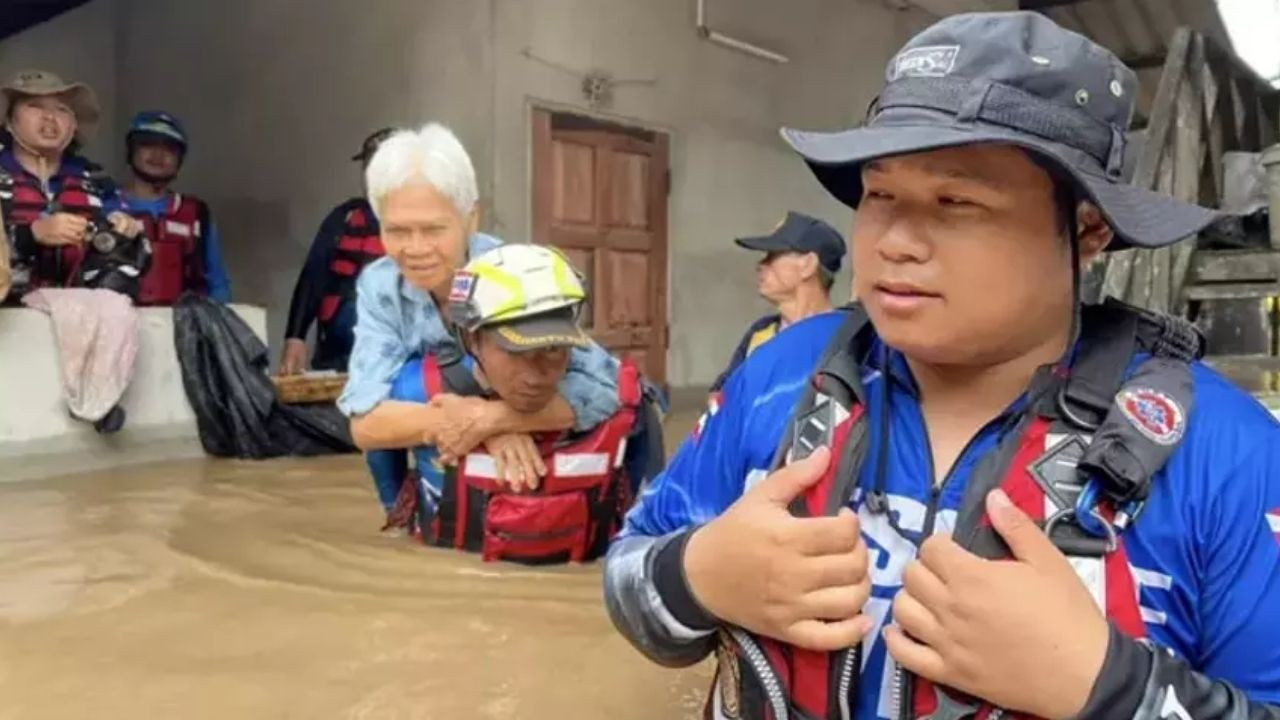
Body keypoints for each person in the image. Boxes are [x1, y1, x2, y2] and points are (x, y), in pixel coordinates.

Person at [604, 12, 1280, 720]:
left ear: (1088, 228)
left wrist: (1111, 687)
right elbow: (626, 573)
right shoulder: (784, 376)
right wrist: (699, 576)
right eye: (880, 194)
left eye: (956, 203)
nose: (894, 241)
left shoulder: (1223, 453)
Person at [337, 123, 621, 531]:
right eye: (397, 230)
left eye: (434, 229)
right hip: (450, 420)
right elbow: (364, 420)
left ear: (470, 219)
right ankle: (402, 520)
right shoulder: (380, 286)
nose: (414, 249)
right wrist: (470, 423)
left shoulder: (516, 274)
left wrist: (498, 418)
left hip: (522, 414)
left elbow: (602, 388)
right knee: (407, 383)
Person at [376, 243, 656, 563]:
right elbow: (390, 495)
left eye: (552, 349)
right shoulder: (414, 391)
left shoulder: (620, 397)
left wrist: (496, 418)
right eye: (515, 351)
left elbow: (650, 515)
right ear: (471, 339)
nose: (535, 375)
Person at [0, 70, 143, 298]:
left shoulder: (96, 181)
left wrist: (125, 232)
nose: (49, 117)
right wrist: (30, 235)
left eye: (61, 109)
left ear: (73, 125)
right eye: (35, 106)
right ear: (9, 120)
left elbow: (135, 259)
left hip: (81, 323)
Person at [279, 128, 395, 374]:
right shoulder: (345, 217)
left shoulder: (421, 221)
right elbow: (313, 275)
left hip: (399, 358)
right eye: (368, 167)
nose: (372, 175)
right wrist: (295, 337)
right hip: (338, 357)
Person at [709, 211, 846, 392]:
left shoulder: (847, 337)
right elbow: (721, 395)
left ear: (807, 265)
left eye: (772, 255)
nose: (761, 265)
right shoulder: (760, 333)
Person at [122, 110, 232, 305]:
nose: (158, 155)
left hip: (184, 327)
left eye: (169, 149)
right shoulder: (106, 206)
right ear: (131, 151)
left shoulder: (197, 214)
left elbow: (217, 283)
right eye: (148, 145)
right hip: (119, 325)